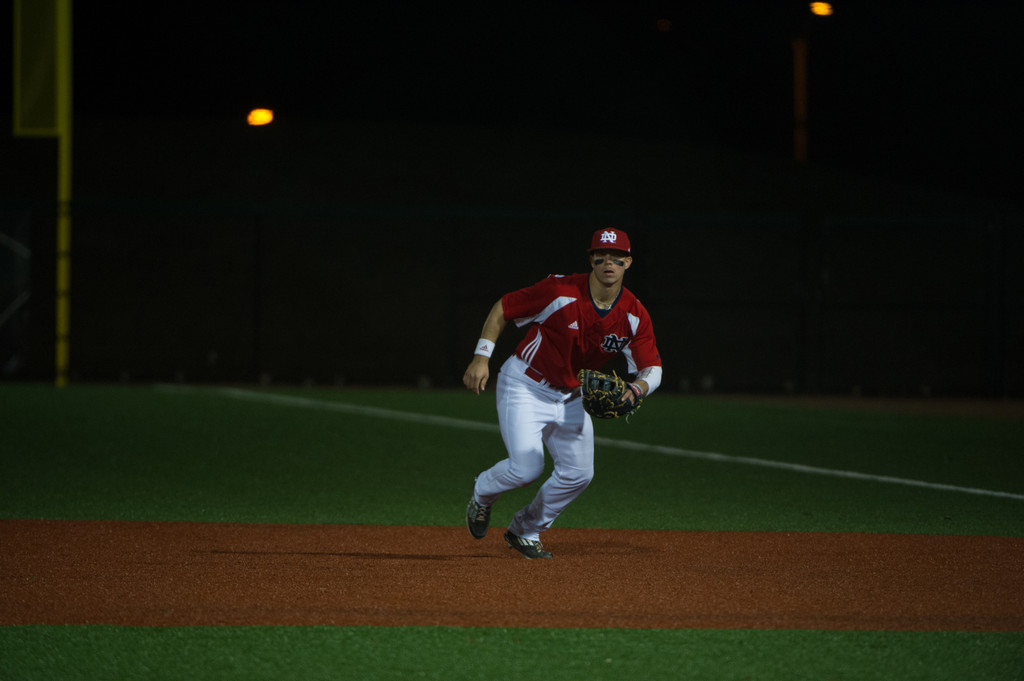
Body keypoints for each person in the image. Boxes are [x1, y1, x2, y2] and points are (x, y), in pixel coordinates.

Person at [463, 227, 663, 559]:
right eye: (601, 256)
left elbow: (652, 367)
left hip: (571, 396)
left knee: (579, 474)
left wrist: (637, 388)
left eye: (617, 258)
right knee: (526, 468)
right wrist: (481, 357)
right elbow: (504, 307)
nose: (608, 263)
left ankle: (525, 529)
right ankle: (483, 492)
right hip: (526, 385)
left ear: (628, 262)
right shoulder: (560, 291)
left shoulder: (633, 314)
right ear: (591, 259)